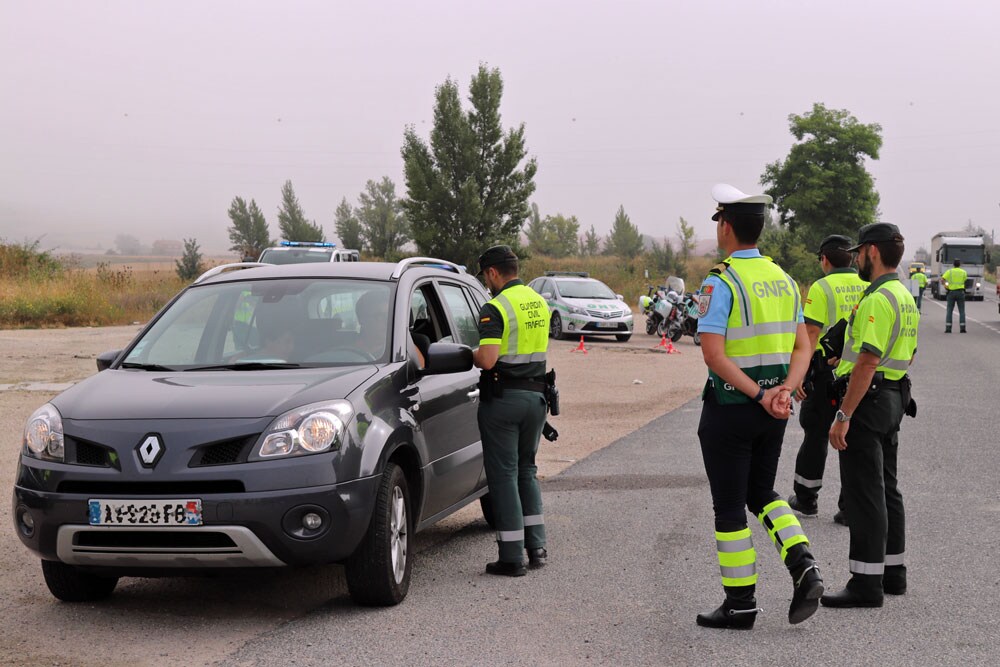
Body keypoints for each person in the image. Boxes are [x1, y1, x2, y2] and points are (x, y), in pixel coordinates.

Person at [694, 184, 823, 629]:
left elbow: (714, 355)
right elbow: (802, 348)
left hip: (733, 408)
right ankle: (804, 564)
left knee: (729, 507)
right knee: (762, 493)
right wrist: (784, 390)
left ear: (726, 227)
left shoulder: (721, 280)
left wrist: (757, 394)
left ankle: (740, 604)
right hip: (775, 412)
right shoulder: (784, 279)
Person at [822, 222, 918, 609]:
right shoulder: (904, 295)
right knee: (888, 488)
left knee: (864, 493)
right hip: (893, 396)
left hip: (869, 399)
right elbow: (908, 354)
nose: (857, 258)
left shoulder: (877, 298)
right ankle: (893, 573)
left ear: (872, 253)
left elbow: (868, 360)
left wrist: (844, 412)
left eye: (860, 251)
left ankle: (865, 583)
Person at [472, 245, 550, 577]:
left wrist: (468, 353)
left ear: (492, 273)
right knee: (526, 470)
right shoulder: (539, 301)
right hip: (536, 398)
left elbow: (488, 359)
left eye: (485, 276)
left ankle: (511, 556)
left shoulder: (496, 307)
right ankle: (537, 547)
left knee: (503, 476)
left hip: (504, 400)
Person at [787, 235, 867, 525]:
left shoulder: (821, 288)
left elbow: (809, 334)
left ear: (824, 260)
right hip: (858, 374)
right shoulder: (868, 286)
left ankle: (807, 498)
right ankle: (849, 507)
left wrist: (798, 376)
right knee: (854, 439)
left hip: (824, 374)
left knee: (816, 433)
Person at [942, 259, 967, 333]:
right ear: (959, 264)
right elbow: (964, 280)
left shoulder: (949, 271)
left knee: (949, 310)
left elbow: (942, 279)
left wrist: (946, 286)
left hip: (951, 292)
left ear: (953, 264)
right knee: (962, 311)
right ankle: (962, 328)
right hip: (961, 292)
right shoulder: (963, 272)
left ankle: (948, 328)